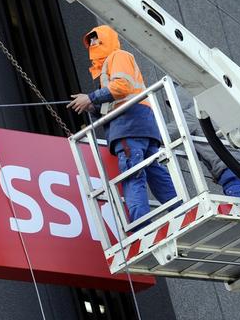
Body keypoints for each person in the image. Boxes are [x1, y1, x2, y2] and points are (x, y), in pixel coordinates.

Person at [67, 25, 177, 223]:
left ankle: (142, 227)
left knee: (133, 175)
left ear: (105, 39)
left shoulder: (117, 57)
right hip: (142, 124)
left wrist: (90, 98)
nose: (92, 43)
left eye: (95, 39)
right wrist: (91, 104)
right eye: (90, 40)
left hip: (129, 125)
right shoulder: (110, 66)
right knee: (154, 171)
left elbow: (121, 87)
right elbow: (112, 101)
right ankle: (180, 212)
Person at [164, 82, 240, 199]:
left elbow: (165, 134)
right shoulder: (215, 110)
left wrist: (141, 131)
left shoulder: (193, 115)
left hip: (232, 169)